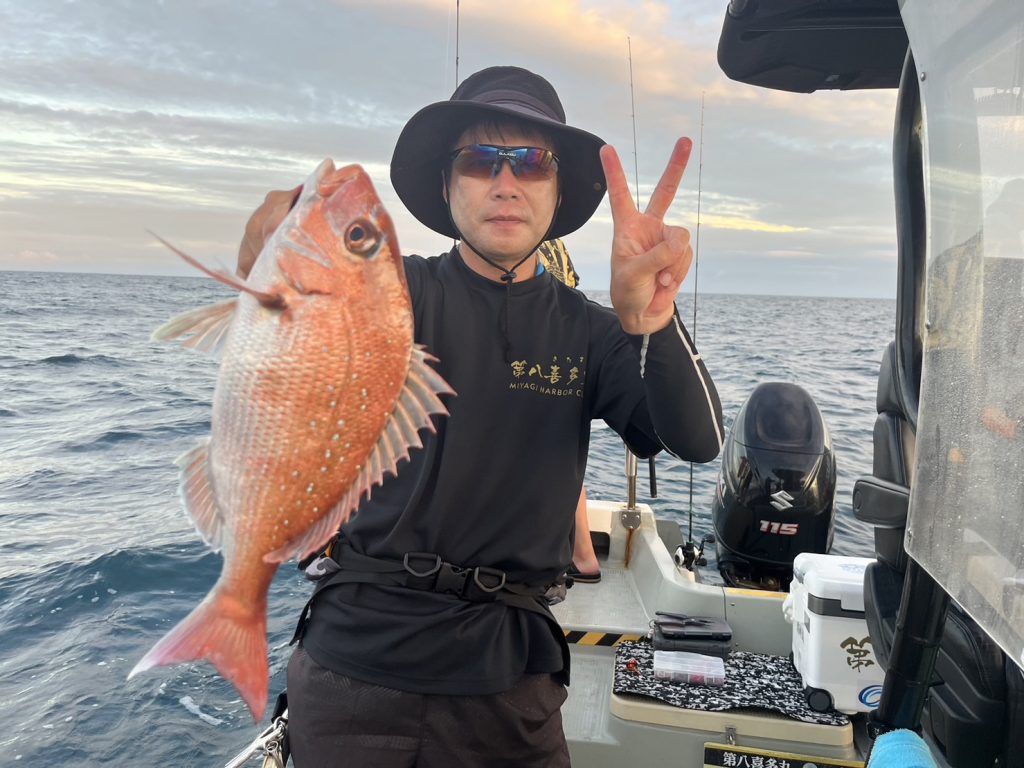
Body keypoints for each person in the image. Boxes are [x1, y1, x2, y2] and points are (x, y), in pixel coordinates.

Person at [237, 66, 723, 768]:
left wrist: (654, 323)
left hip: (509, 681)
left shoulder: (593, 331)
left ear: (557, 191)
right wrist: (272, 264)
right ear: (447, 184)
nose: (506, 181)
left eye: (532, 161)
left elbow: (698, 440)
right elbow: (291, 320)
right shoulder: (389, 290)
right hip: (354, 667)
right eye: (479, 159)